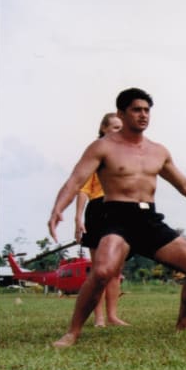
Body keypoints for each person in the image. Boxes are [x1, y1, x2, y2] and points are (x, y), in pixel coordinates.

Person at [48, 87, 186, 347]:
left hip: (149, 220)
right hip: (116, 218)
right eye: (137, 110)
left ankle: (185, 320)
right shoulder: (103, 147)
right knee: (102, 272)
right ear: (121, 113)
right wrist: (59, 208)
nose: (143, 115)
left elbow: (185, 185)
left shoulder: (158, 151)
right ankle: (73, 331)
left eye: (147, 110)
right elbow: (75, 180)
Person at [73, 112, 128, 327]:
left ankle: (113, 315)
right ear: (104, 129)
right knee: (100, 269)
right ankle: (99, 317)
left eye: (121, 128)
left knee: (116, 270)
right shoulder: (96, 153)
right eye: (115, 127)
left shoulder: (128, 154)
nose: (119, 131)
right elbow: (83, 189)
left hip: (121, 208)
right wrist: (78, 218)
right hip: (98, 209)